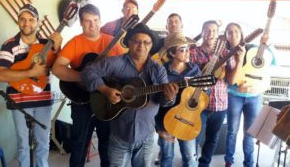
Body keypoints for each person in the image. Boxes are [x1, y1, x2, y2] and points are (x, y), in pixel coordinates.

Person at [81, 23, 179, 167]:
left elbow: (162, 100)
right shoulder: (116, 62)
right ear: (129, 42)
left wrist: (170, 97)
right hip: (119, 135)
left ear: (151, 45)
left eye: (146, 42)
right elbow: (88, 72)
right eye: (136, 41)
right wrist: (105, 90)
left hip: (146, 136)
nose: (141, 46)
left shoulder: (158, 70)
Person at [52, 4, 125, 167]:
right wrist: (86, 77)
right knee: (79, 142)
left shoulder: (111, 42)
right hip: (82, 101)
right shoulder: (75, 43)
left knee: (107, 143)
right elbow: (57, 68)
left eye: (95, 20)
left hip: (107, 100)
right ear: (81, 23)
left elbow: (127, 66)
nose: (92, 24)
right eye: (87, 21)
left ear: (100, 20)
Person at [0, 4, 62, 167]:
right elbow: (0, 74)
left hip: (43, 99)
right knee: (23, 144)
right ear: (18, 21)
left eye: (31, 19)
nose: (27, 23)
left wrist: (58, 47)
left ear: (37, 22)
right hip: (18, 101)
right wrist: (29, 73)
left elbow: (58, 67)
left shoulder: (48, 44)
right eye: (23, 19)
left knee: (43, 141)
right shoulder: (9, 45)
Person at [224, 22, 277, 167]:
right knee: (232, 131)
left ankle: (249, 163)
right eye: (229, 32)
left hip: (254, 96)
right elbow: (227, 78)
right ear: (226, 36)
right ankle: (229, 161)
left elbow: (274, 61)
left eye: (236, 31)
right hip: (234, 96)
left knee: (250, 133)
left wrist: (268, 44)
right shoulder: (225, 53)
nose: (233, 34)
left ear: (241, 34)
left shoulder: (253, 49)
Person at [189, 20, 232, 167]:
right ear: (202, 33)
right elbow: (189, 76)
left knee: (213, 138)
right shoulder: (192, 52)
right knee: (194, 135)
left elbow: (232, 78)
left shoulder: (226, 53)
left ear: (218, 34)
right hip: (198, 103)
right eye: (207, 30)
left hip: (220, 103)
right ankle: (191, 162)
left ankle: (204, 164)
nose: (210, 33)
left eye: (214, 30)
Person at [155, 32, 201, 167]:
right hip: (165, 121)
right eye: (182, 50)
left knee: (190, 159)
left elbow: (202, 94)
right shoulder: (161, 71)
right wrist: (158, 128)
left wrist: (203, 91)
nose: (188, 52)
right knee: (166, 157)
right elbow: (155, 101)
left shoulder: (195, 70)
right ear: (172, 53)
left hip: (188, 121)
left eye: (188, 49)